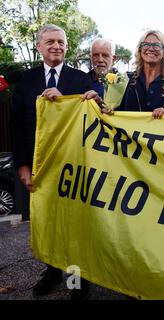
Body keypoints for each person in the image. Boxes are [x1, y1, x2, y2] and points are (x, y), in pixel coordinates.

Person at [10, 24, 93, 300]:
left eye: (61, 41)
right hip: (39, 167)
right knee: (48, 222)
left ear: (66, 47)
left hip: (73, 166)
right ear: (39, 47)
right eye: (51, 42)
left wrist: (88, 98)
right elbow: (17, 126)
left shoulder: (82, 80)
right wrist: (22, 165)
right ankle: (52, 270)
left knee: (74, 223)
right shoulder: (25, 80)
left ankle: (78, 277)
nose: (56, 46)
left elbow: (95, 112)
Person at [117, 29, 164, 115]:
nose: (151, 48)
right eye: (146, 44)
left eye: (156, 45)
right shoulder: (125, 80)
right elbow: (113, 111)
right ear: (140, 50)